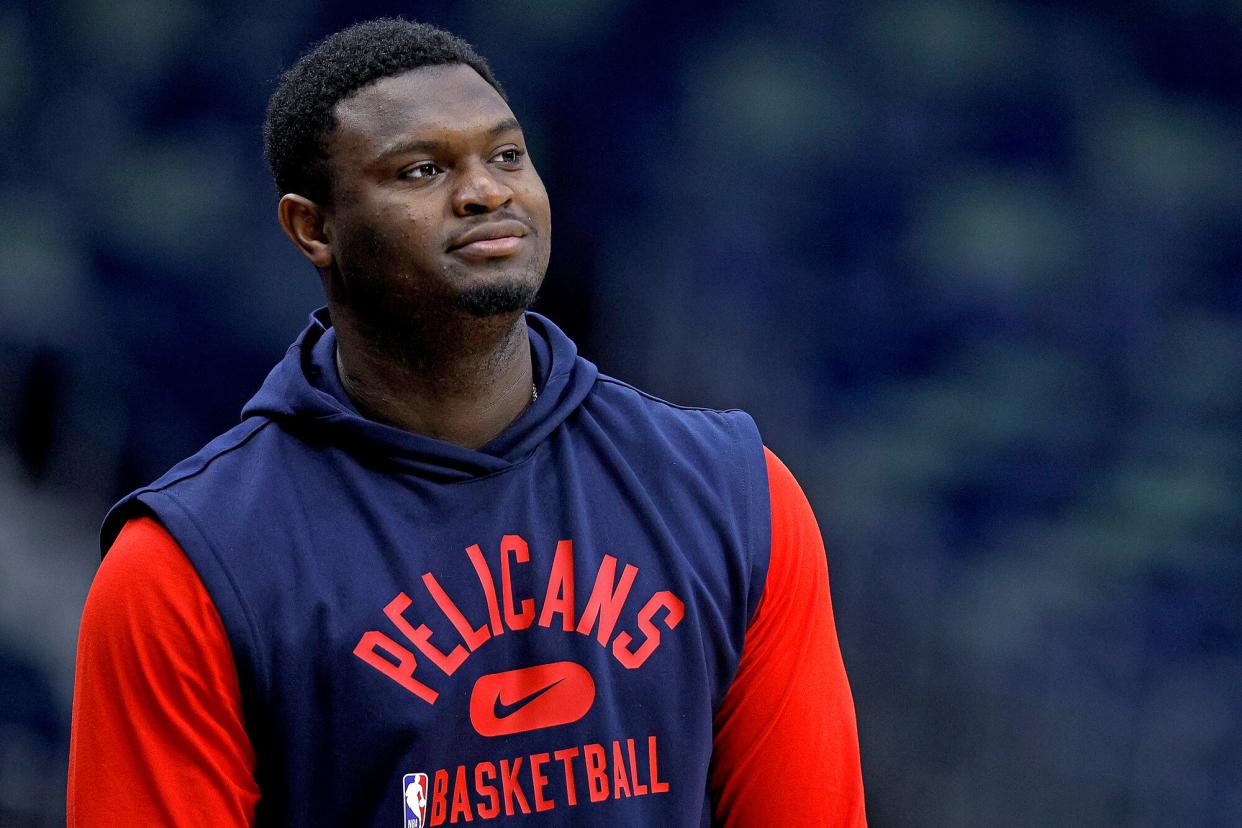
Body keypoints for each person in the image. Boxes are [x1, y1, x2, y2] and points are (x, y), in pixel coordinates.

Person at [67, 18, 865, 827]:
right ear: (314, 228)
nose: (487, 191)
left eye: (508, 155)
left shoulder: (735, 495)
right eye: (422, 169)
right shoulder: (186, 570)